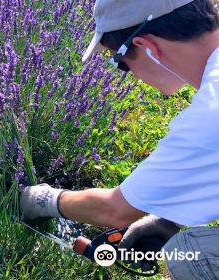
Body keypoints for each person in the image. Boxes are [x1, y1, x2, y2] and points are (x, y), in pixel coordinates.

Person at [19, 0, 219, 279]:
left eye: (120, 62)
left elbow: (114, 210)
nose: (128, 73)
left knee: (190, 253)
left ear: (148, 47)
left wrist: (40, 199)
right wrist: (170, 218)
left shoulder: (211, 111)